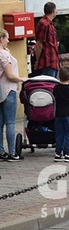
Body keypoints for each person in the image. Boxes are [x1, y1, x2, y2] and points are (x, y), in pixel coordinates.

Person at [0, 28, 26, 161]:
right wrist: (22, 79)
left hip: (0, 91)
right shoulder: (4, 55)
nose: (8, 41)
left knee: (0, 122)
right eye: (7, 38)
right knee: (10, 122)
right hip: (8, 90)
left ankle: (0, 150)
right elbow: (10, 75)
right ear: (1, 39)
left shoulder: (4, 53)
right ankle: (12, 152)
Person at [54, 66, 69, 162]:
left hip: (58, 114)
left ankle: (58, 153)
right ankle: (68, 153)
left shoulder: (56, 88)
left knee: (60, 134)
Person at [35, 2, 60, 78]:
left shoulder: (49, 24)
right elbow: (39, 43)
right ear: (53, 11)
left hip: (54, 60)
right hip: (47, 61)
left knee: (54, 85)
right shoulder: (44, 24)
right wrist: (37, 60)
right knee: (49, 85)